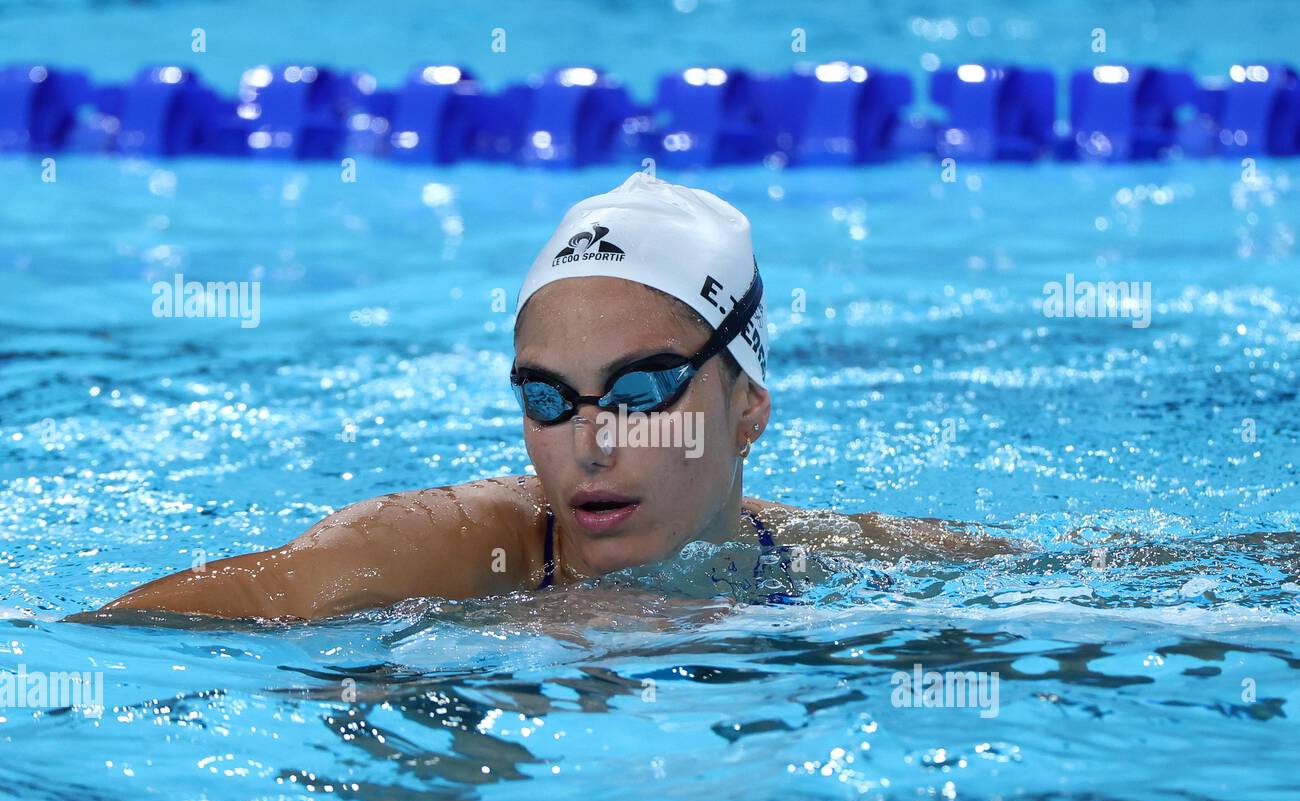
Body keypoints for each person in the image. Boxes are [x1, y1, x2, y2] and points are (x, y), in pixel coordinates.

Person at [67, 172, 1010, 624]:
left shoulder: (837, 560)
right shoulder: (435, 548)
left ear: (748, 404)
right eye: (549, 400)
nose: (588, 447)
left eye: (640, 391)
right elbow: (134, 630)